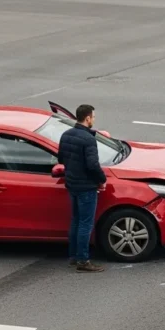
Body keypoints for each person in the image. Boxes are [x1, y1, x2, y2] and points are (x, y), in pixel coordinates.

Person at [58, 104, 107, 273]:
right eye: (93, 117)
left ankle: (73, 256)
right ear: (87, 118)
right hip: (86, 186)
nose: (94, 119)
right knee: (86, 224)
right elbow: (93, 165)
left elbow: (61, 158)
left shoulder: (65, 135)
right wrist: (102, 179)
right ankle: (83, 260)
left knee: (76, 221)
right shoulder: (88, 139)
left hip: (72, 184)